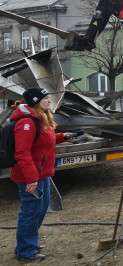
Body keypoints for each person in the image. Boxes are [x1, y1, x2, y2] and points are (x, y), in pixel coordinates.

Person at [10, 87, 75, 262]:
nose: (50, 100)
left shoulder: (39, 119)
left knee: (41, 208)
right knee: (30, 212)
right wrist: (31, 179)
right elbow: (22, 153)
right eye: (46, 98)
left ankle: (27, 243)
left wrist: (61, 137)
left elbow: (44, 139)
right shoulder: (27, 123)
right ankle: (25, 251)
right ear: (36, 101)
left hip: (42, 174)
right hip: (30, 177)